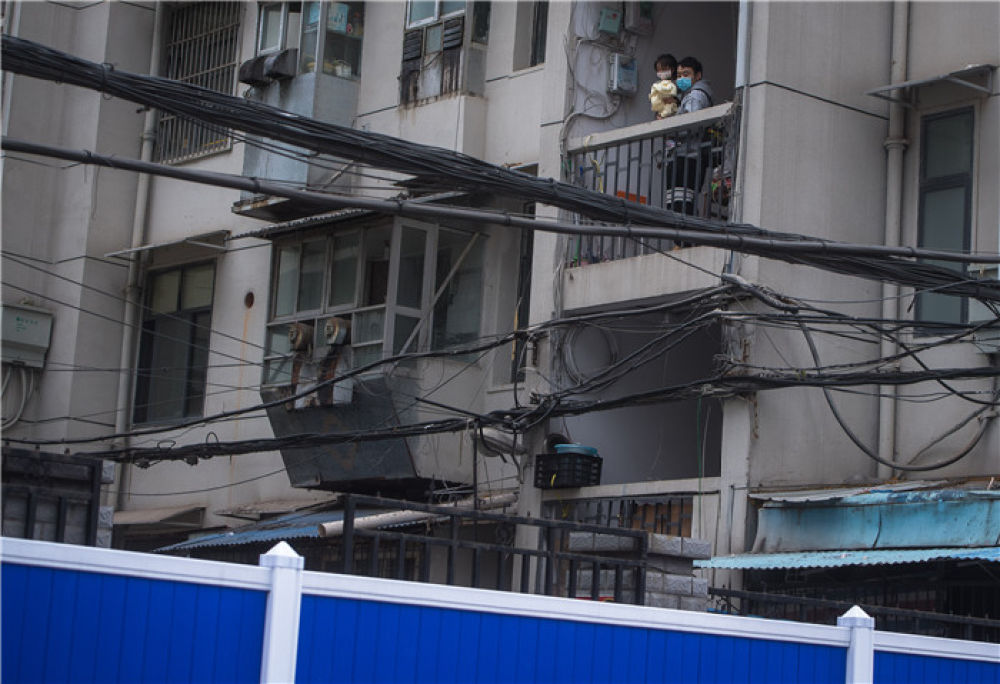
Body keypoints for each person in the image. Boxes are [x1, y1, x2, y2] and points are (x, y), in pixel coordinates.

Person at [649, 53, 679, 119]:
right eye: (658, 70)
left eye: (663, 69)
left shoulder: (679, 84)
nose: (661, 72)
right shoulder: (657, 85)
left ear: (672, 69)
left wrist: (675, 100)